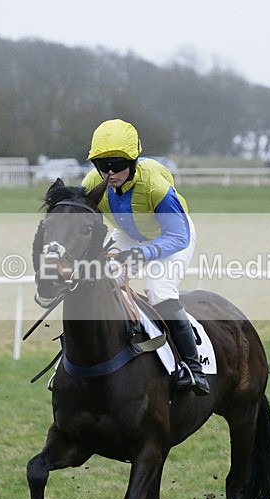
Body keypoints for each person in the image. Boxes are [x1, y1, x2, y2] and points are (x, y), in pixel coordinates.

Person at [81, 118, 210, 395]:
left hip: (172, 235)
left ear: (133, 160)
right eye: (102, 166)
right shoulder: (92, 183)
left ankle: (193, 368)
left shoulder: (154, 185)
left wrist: (143, 254)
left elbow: (178, 236)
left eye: (117, 164)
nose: (110, 173)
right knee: (102, 280)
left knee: (158, 288)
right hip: (129, 234)